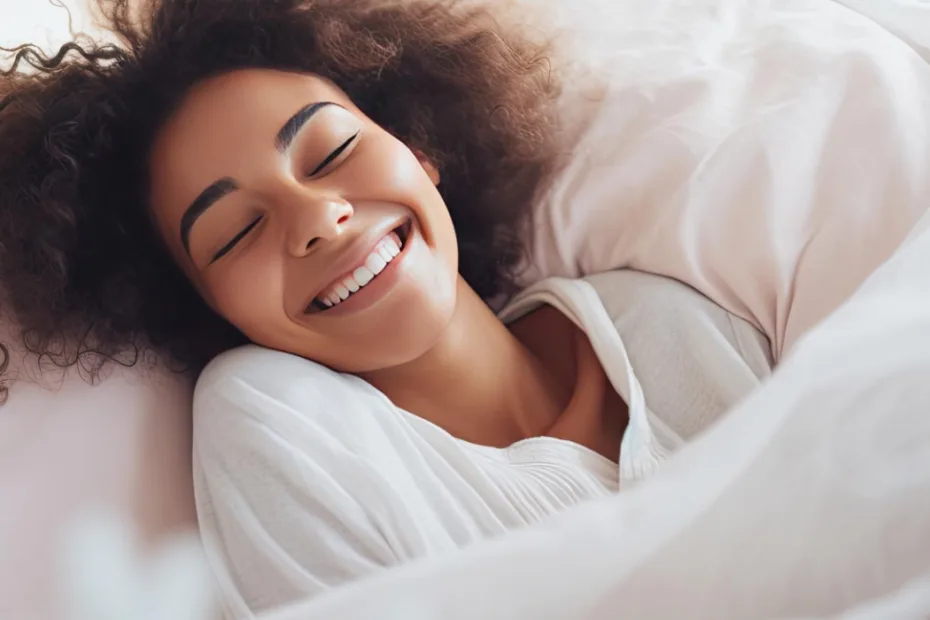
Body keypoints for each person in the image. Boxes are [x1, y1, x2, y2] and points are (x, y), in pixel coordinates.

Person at [0, 0, 774, 616]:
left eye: (331, 153)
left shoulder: (669, 321)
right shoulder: (272, 417)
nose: (316, 218)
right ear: (208, 309)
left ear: (417, 150)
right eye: (237, 233)